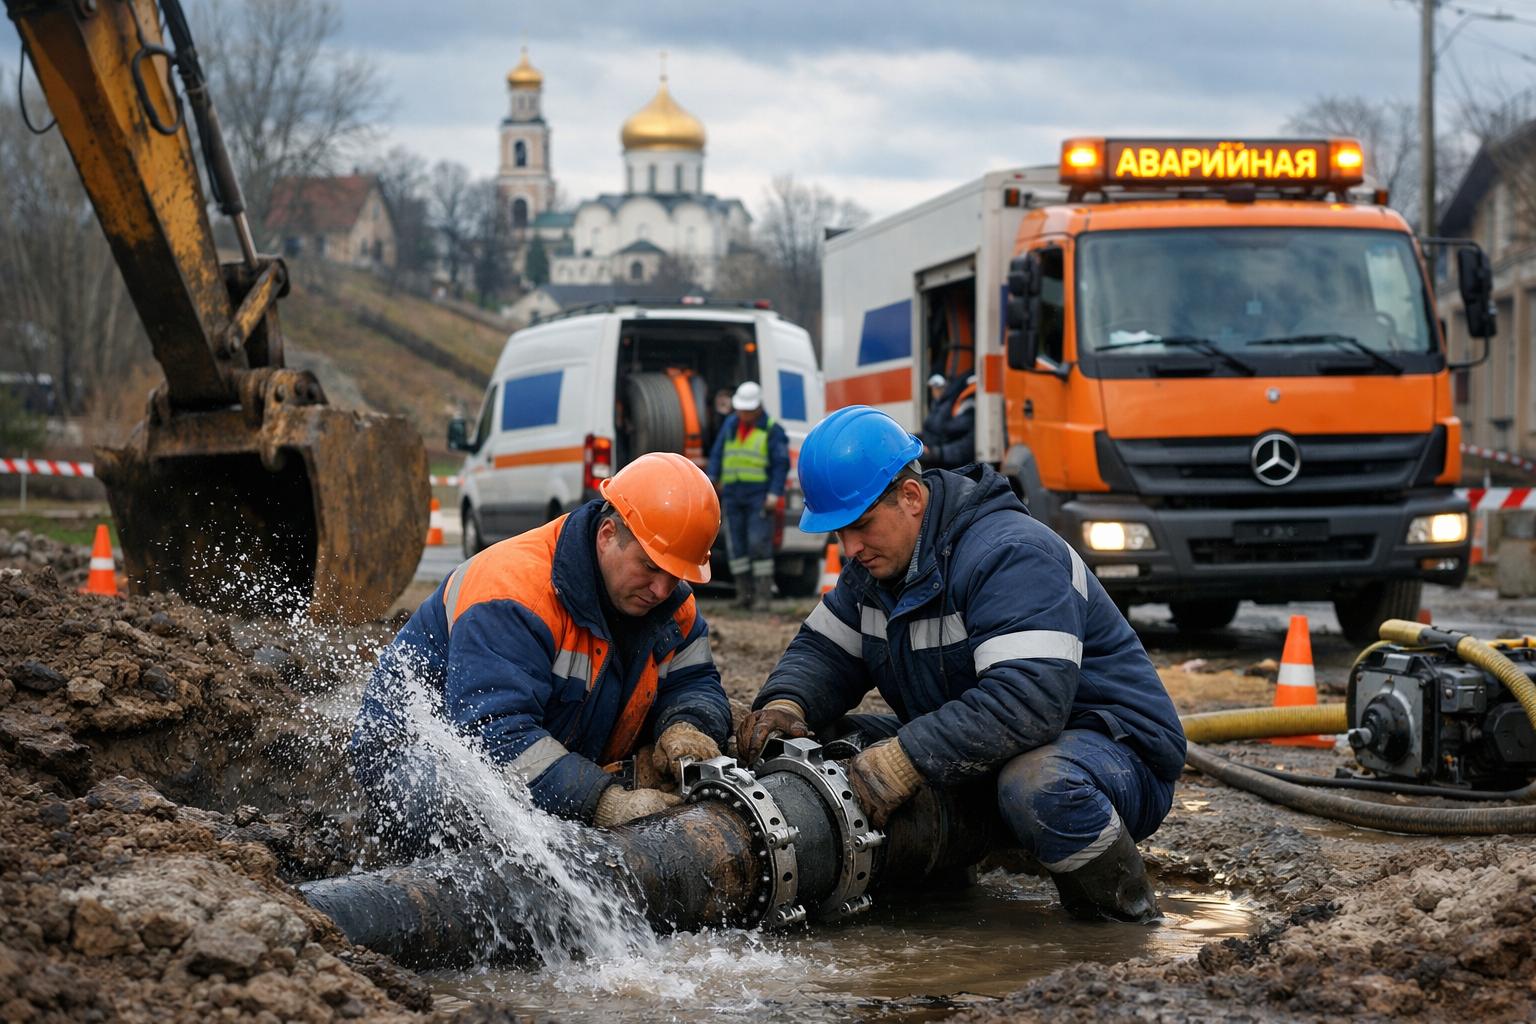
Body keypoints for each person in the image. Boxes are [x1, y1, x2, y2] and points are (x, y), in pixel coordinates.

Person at [736, 406, 1185, 922]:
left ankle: (1119, 922)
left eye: (859, 526)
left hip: (1109, 753)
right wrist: (785, 704)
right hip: (994, 752)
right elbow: (823, 652)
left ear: (910, 497)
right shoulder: (875, 570)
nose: (850, 548)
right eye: (838, 534)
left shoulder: (1009, 553)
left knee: (1037, 785)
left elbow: (1026, 705)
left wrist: (903, 761)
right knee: (826, 744)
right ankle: (943, 888)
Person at [351, 453, 730, 853]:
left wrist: (688, 725)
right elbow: (491, 738)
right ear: (607, 535)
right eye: (650, 567)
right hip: (418, 755)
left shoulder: (671, 606)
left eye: (676, 576)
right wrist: (604, 803)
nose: (661, 590)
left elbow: (696, 681)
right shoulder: (515, 595)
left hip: (543, 747)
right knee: (452, 808)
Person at [706, 380, 790, 611]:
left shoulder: (772, 429)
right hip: (733, 495)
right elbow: (718, 453)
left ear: (757, 408)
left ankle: (762, 597)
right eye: (740, 409)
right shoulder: (731, 425)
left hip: (758, 496)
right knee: (737, 547)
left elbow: (781, 464)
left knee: (758, 545)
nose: (742, 413)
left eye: (746, 409)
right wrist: (712, 478)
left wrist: (774, 493)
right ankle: (744, 595)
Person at [919, 373, 977, 470]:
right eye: (933, 388)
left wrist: (936, 453)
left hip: (948, 465)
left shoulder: (962, 405)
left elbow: (967, 445)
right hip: (937, 459)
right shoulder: (939, 405)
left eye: (938, 388)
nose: (935, 391)